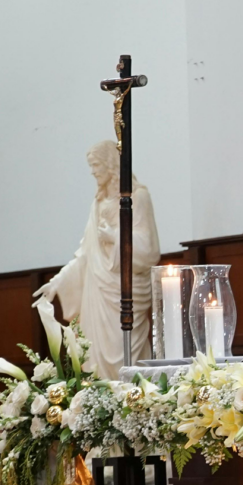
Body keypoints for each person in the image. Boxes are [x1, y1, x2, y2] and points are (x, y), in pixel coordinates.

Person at [33, 140, 161, 379]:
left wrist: (114, 236)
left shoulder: (139, 197)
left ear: (110, 164)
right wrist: (57, 282)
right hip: (98, 290)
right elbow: (85, 254)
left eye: (95, 165)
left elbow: (149, 248)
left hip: (125, 290)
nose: (92, 171)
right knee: (96, 354)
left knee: (127, 353)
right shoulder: (98, 203)